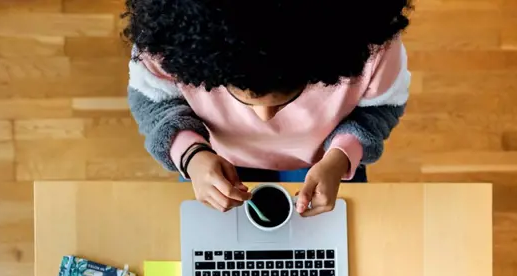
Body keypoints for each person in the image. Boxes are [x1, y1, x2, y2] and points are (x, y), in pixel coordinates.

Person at [123, 0, 411, 216]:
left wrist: (342, 156)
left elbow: (380, 109)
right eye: (245, 99)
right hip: (209, 158)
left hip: (327, 161)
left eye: (285, 99)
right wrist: (190, 154)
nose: (265, 119)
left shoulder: (373, 48)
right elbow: (155, 103)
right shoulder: (166, 43)